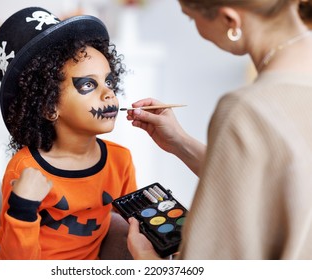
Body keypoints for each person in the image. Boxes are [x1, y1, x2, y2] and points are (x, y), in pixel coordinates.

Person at [126, 0, 312, 259]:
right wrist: (179, 142)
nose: (196, 30)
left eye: (191, 18)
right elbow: (276, 184)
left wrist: (148, 261)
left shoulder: (246, 109)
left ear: (230, 20)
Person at [0, 7, 137, 259]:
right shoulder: (24, 169)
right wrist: (23, 207)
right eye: (88, 84)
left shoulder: (120, 160)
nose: (108, 94)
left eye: (109, 82)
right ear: (48, 106)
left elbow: (133, 220)